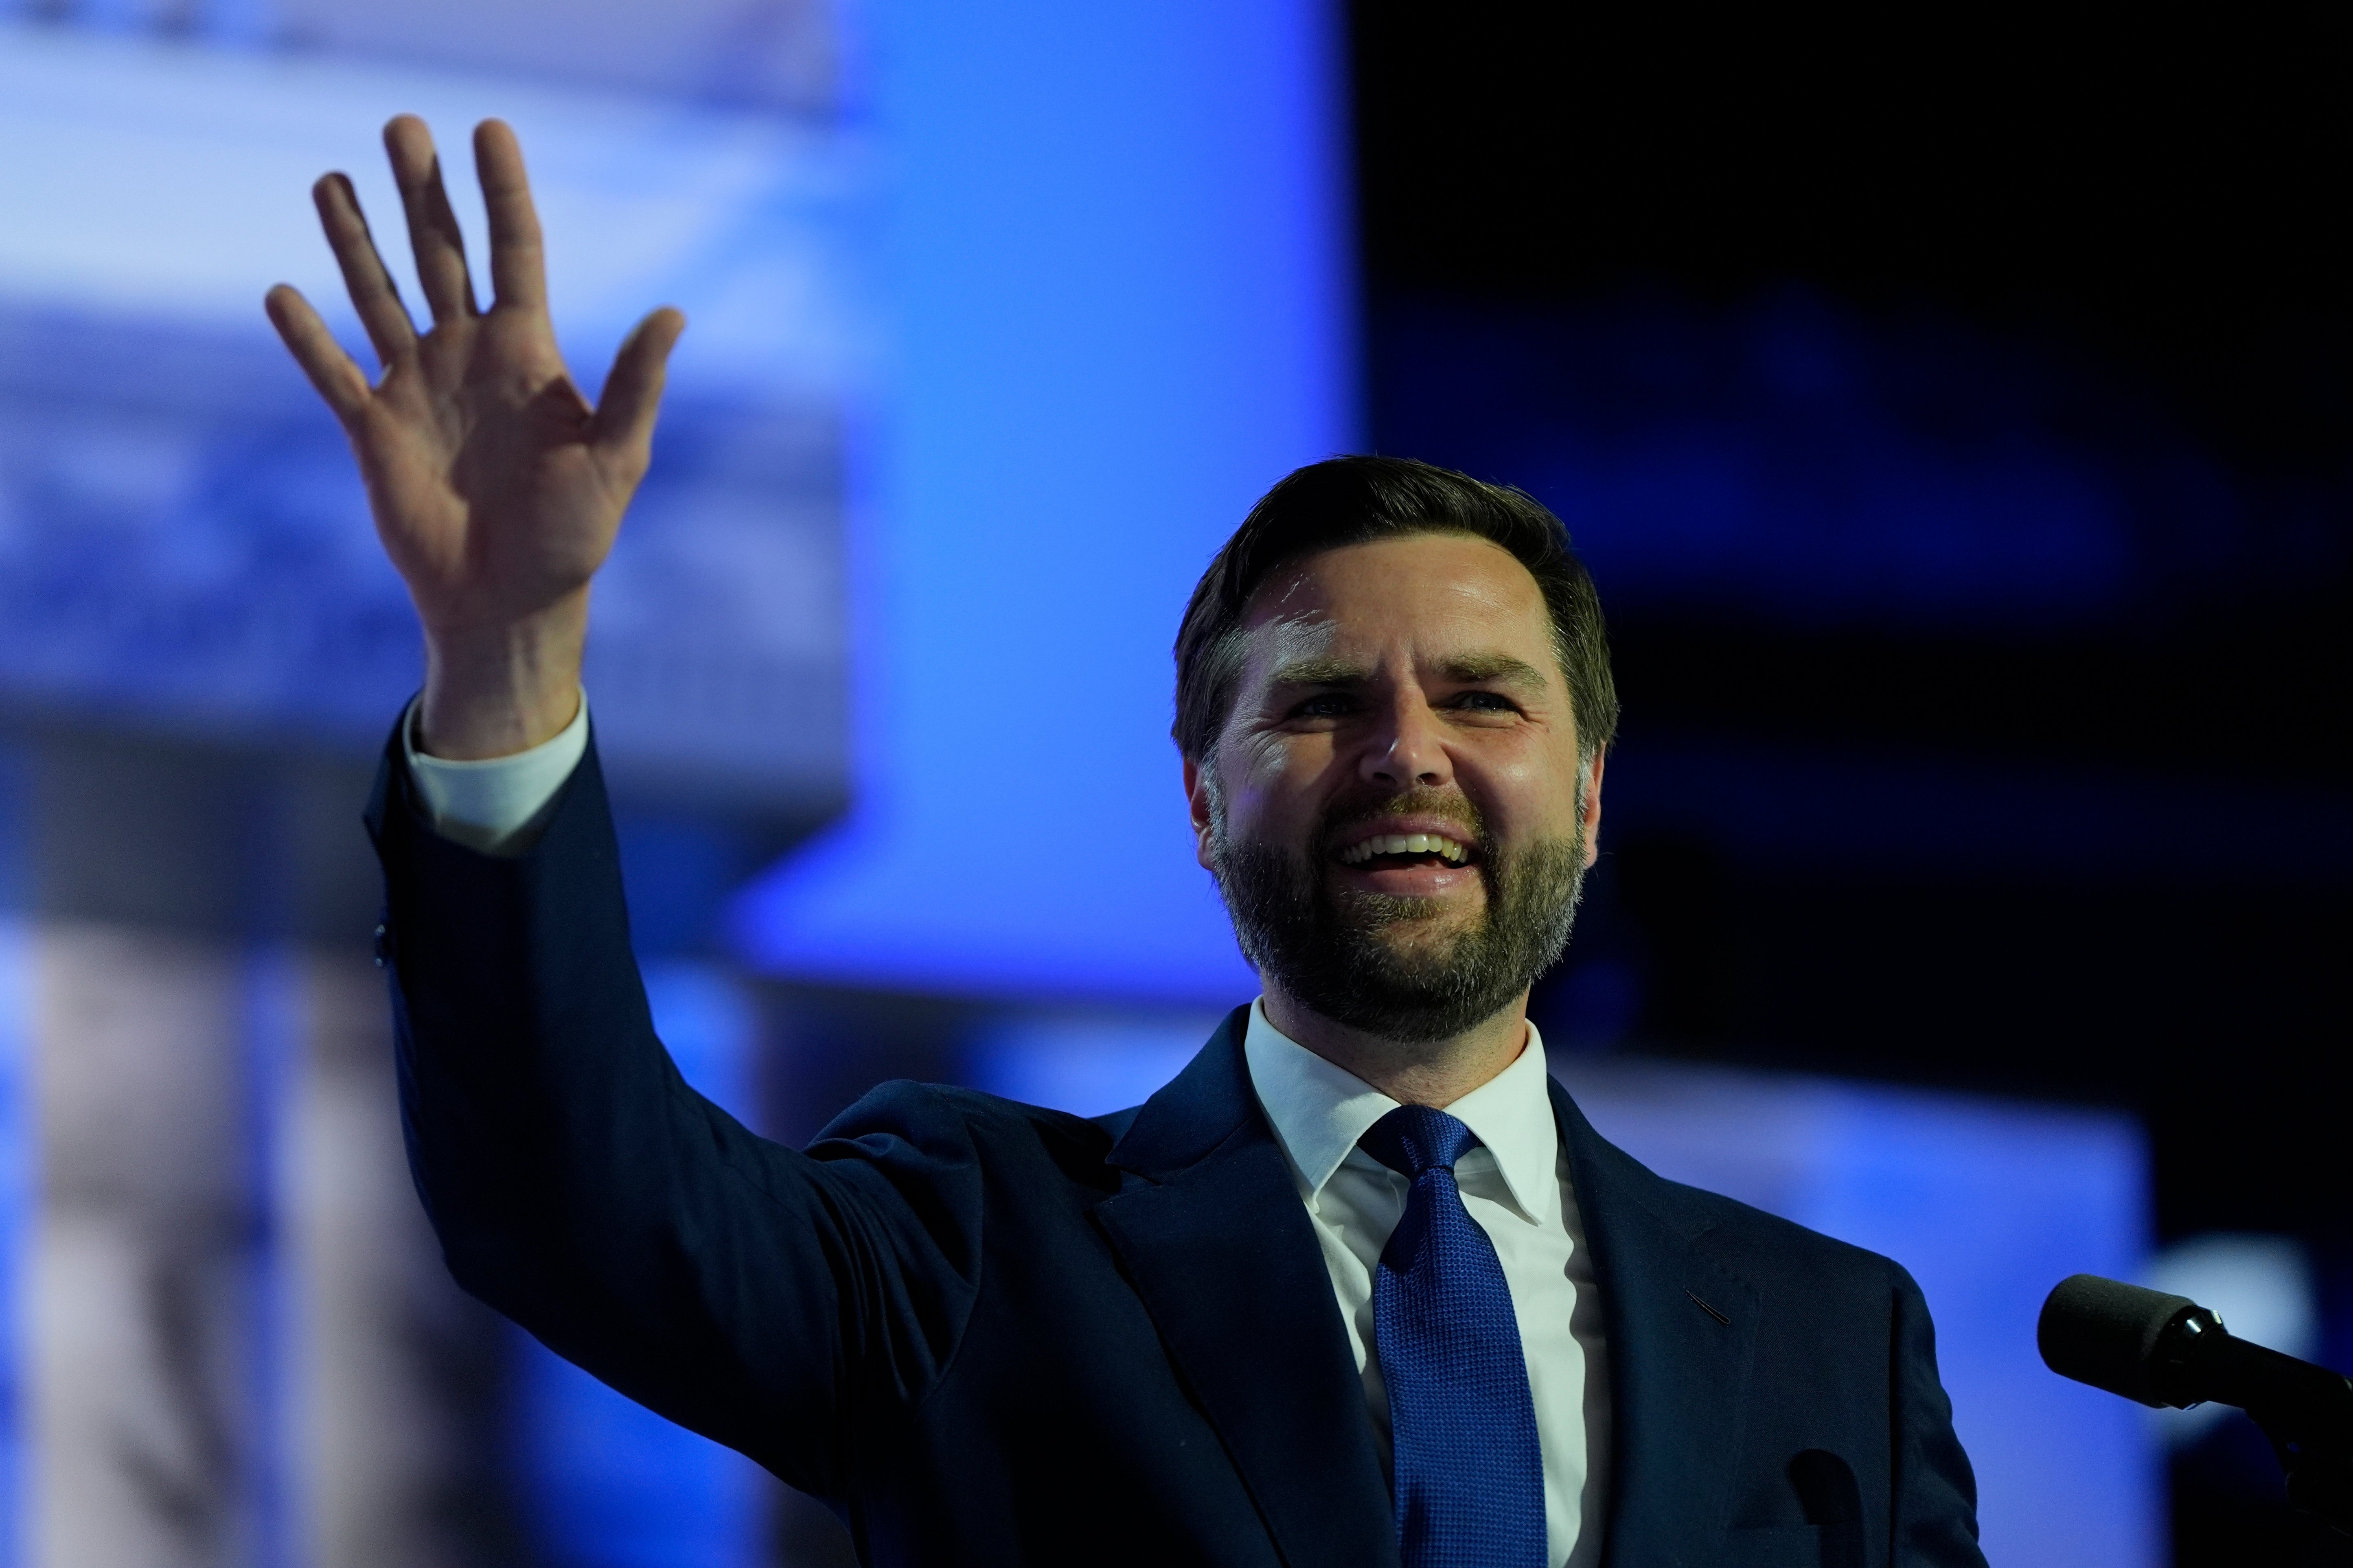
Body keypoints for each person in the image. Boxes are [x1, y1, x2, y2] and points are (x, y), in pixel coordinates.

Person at [268, 117, 1988, 1568]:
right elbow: (573, 1204)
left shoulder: (1827, 1342)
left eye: (1481, 699)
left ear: (1592, 793)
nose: (1405, 754)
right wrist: (505, 655)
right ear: (1199, 801)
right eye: (1319, 706)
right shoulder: (975, 1244)